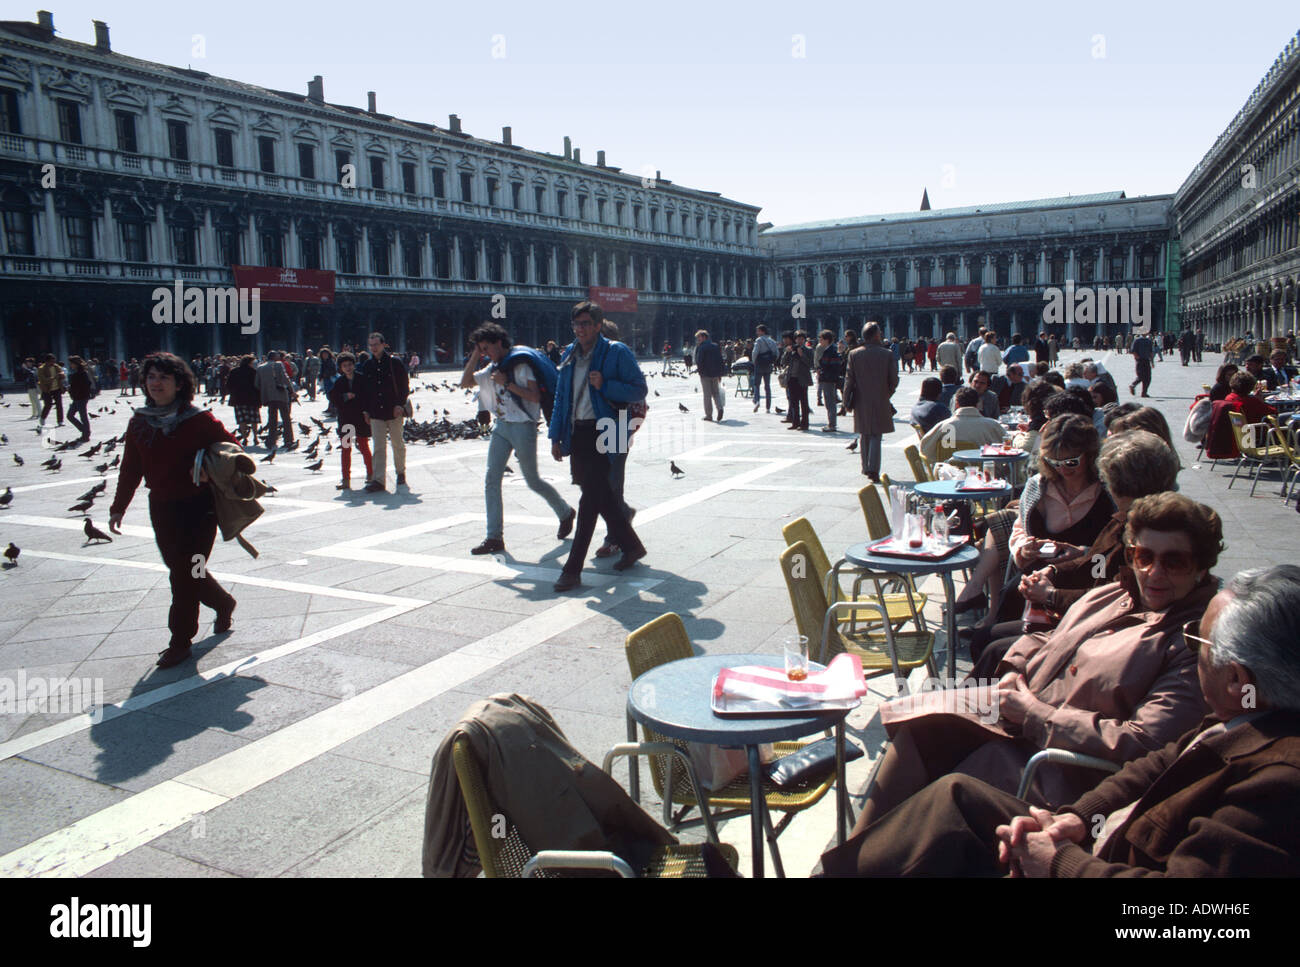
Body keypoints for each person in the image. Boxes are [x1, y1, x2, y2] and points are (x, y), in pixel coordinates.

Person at [821, 563, 1300, 878]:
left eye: (1201, 642)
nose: (1152, 570)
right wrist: (1079, 817)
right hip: (1096, 832)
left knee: (951, 815)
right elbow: (1155, 765)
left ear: (1237, 677)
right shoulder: (1239, 719)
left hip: (1099, 851)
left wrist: (1059, 862)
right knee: (955, 792)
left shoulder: (1277, 786)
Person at [840, 491, 1222, 837]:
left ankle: (881, 854)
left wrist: (1035, 714)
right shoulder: (1115, 594)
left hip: (1062, 763)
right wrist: (1013, 669)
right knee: (917, 725)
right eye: (1144, 557)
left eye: (1175, 562)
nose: (1154, 572)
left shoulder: (1192, 644)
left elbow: (1145, 745)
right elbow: (1050, 637)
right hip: (1019, 715)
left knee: (949, 783)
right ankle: (859, 850)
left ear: (1201, 566)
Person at [108, 353, 239, 669]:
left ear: (180, 383)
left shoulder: (198, 419)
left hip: (199, 508)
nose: (156, 383)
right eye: (151, 377)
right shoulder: (139, 422)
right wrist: (118, 507)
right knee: (184, 569)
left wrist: (211, 469)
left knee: (185, 573)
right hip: (162, 508)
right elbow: (131, 468)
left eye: (164, 377)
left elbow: (234, 451)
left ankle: (180, 641)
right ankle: (223, 602)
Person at [955, 415, 1114, 633]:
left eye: (1071, 462)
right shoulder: (1038, 487)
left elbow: (1112, 554)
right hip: (1037, 575)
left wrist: (1083, 553)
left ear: (1090, 455)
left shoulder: (1106, 493)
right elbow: (1020, 528)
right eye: (1054, 462)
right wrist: (1024, 548)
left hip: (1090, 576)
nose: (1063, 469)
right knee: (1006, 606)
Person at [548, 301, 646, 593]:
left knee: (590, 498)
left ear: (598, 325)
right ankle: (632, 545)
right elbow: (561, 398)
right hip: (578, 431)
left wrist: (605, 385)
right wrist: (555, 435)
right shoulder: (569, 353)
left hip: (609, 428)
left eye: (586, 324)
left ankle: (572, 569)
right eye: (576, 324)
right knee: (598, 493)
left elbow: (638, 389)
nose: (580, 329)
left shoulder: (616, 351)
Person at [460, 322, 574, 554]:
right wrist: (475, 355)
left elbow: (534, 396)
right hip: (502, 426)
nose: (486, 353)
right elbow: (465, 382)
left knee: (533, 480)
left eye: (487, 348)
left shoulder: (520, 365)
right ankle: (494, 537)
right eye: (482, 349)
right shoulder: (494, 366)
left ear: (499, 342)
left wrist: (507, 383)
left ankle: (565, 512)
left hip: (523, 426)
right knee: (491, 480)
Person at [843, 322, 899, 481]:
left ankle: (866, 467)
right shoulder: (886, 354)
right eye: (879, 332)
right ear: (876, 335)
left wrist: (846, 401)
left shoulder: (854, 354)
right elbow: (894, 380)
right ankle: (873, 469)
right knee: (876, 434)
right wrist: (886, 394)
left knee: (864, 433)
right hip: (880, 398)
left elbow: (849, 380)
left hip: (860, 399)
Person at [360, 332, 410, 493]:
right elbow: (364, 390)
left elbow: (404, 385)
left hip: (394, 410)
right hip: (376, 412)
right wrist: (366, 410)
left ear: (383, 344)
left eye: (376, 344)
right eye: (371, 345)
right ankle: (378, 480)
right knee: (378, 447)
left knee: (397, 443)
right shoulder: (367, 365)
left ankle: (400, 472)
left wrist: (400, 404)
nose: (373, 348)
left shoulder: (395, 363)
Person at [919, 386, 1005, 463]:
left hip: (949, 471)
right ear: (978, 403)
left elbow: (925, 449)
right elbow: (1006, 448)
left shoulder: (944, 425)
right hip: (983, 471)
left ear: (956, 404)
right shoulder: (992, 425)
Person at [328, 352, 373, 491]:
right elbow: (333, 398)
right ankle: (346, 479)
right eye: (344, 366)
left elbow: (369, 397)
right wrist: (345, 396)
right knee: (346, 449)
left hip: (360, 418)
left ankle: (371, 474)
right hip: (346, 419)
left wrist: (367, 412)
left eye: (349, 365)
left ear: (354, 365)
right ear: (341, 368)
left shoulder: (362, 379)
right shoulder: (339, 382)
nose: (347, 368)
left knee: (364, 446)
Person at [255, 350, 296, 451]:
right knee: (286, 418)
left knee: (272, 419)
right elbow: (286, 378)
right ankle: (288, 440)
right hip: (280, 394)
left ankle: (271, 440)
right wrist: (292, 391)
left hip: (269, 397)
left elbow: (257, 384)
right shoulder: (279, 365)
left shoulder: (260, 367)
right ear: (274, 357)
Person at [780, 330, 813, 431]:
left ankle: (805, 424)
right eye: (798, 339)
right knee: (793, 402)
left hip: (802, 379)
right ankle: (795, 422)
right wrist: (787, 352)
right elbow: (783, 362)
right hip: (792, 378)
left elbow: (810, 364)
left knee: (804, 402)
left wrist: (802, 355)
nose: (800, 341)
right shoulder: (791, 349)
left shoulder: (808, 350)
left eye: (802, 339)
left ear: (804, 340)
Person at [693, 329, 725, 422]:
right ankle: (720, 408)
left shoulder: (701, 347)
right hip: (715, 374)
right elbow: (720, 360)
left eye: (699, 337)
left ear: (704, 337)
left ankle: (709, 415)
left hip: (705, 374)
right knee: (716, 393)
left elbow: (699, 361)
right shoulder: (715, 346)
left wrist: (700, 371)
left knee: (707, 395)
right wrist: (720, 373)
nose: (698, 340)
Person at [816, 329, 843, 432]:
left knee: (830, 402)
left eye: (821, 339)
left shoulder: (831, 350)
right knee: (829, 402)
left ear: (827, 340)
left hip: (829, 379)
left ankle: (832, 424)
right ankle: (831, 423)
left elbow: (833, 366)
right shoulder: (830, 349)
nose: (820, 341)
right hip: (828, 378)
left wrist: (822, 372)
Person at [750, 325, 781, 413]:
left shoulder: (759, 340)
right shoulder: (772, 341)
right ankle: (768, 407)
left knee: (757, 384)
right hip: (768, 365)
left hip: (759, 364)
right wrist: (771, 361)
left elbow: (755, 353)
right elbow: (777, 353)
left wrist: (754, 362)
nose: (757, 333)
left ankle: (757, 401)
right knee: (767, 386)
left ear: (762, 331)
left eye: (758, 331)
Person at [66, 355, 93, 441]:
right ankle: (85, 431)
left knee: (83, 416)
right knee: (70, 415)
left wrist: (70, 389)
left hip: (81, 397)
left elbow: (84, 385)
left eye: (71, 363)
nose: (70, 365)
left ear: (76, 364)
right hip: (78, 397)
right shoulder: (79, 373)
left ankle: (86, 434)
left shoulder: (81, 374)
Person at [37, 353, 65, 427]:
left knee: (59, 405)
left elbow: (62, 373)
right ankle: (43, 417)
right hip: (47, 389)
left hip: (57, 388)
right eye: (51, 361)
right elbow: (43, 380)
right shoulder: (41, 368)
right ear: (47, 361)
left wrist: (62, 375)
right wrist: (53, 377)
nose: (53, 363)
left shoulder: (56, 366)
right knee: (48, 405)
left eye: (54, 361)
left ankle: (60, 421)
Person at [1129, 331, 1155, 397]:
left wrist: (1152, 362)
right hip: (1141, 360)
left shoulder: (1148, 341)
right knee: (1141, 376)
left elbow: (1151, 352)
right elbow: (1133, 350)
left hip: (1146, 360)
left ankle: (1144, 393)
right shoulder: (1137, 340)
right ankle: (1133, 385)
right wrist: (1137, 358)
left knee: (1147, 377)